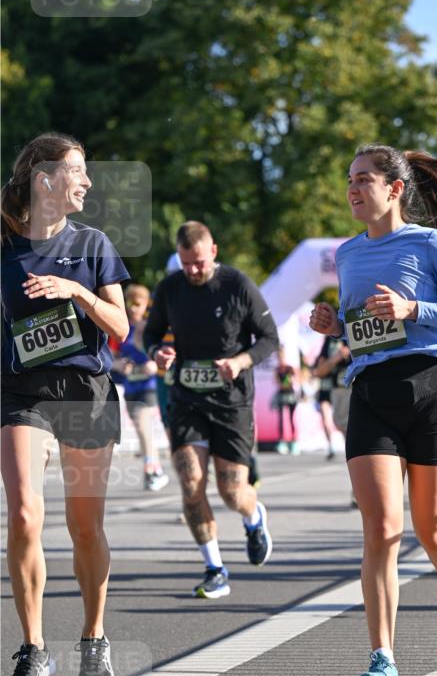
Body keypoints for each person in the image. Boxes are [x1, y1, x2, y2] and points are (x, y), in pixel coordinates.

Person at [310, 143, 437, 676]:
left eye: (364, 178)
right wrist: (334, 325)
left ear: (394, 189)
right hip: (372, 394)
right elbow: (364, 328)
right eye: (348, 179)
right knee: (382, 529)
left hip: (433, 388)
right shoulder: (346, 254)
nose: (353, 188)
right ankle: (382, 661)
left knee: (432, 528)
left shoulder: (430, 243)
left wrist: (415, 310)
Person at [1, 132, 130, 676]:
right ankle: (33, 649)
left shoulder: (93, 244)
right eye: (78, 170)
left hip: (84, 391)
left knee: (84, 526)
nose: (88, 181)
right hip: (20, 391)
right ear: (45, 179)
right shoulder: (4, 243)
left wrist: (75, 291)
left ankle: (94, 636)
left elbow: (121, 329)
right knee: (26, 515)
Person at [143, 220, 279, 598]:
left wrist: (240, 362)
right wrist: (159, 352)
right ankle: (214, 567)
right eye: (186, 264)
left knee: (232, 492)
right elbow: (150, 334)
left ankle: (254, 518)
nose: (193, 271)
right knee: (190, 485)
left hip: (232, 402)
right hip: (187, 399)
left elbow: (270, 339)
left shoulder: (237, 285)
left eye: (199, 263)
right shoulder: (171, 288)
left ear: (213, 252)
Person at [112, 284, 169, 491]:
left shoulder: (151, 328)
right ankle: (154, 468)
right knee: (141, 429)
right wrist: (117, 365)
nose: (133, 308)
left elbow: (163, 353)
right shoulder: (121, 328)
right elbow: (111, 358)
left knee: (143, 425)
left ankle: (153, 470)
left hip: (150, 387)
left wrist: (154, 364)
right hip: (130, 387)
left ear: (147, 305)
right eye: (130, 304)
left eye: (138, 304)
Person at [312, 334, 351, 460]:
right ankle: (340, 447)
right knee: (338, 421)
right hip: (334, 388)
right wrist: (335, 358)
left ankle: (353, 450)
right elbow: (318, 370)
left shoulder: (349, 333)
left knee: (345, 422)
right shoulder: (329, 339)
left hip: (350, 386)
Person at [273, 348, 300, 454]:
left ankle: (293, 442)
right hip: (281, 395)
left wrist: (289, 381)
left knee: (291, 418)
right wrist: (283, 383)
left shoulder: (289, 368)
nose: (280, 359)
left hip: (290, 395)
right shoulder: (277, 369)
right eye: (278, 357)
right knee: (281, 419)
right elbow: (277, 381)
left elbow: (294, 379)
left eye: (281, 356)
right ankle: (282, 442)